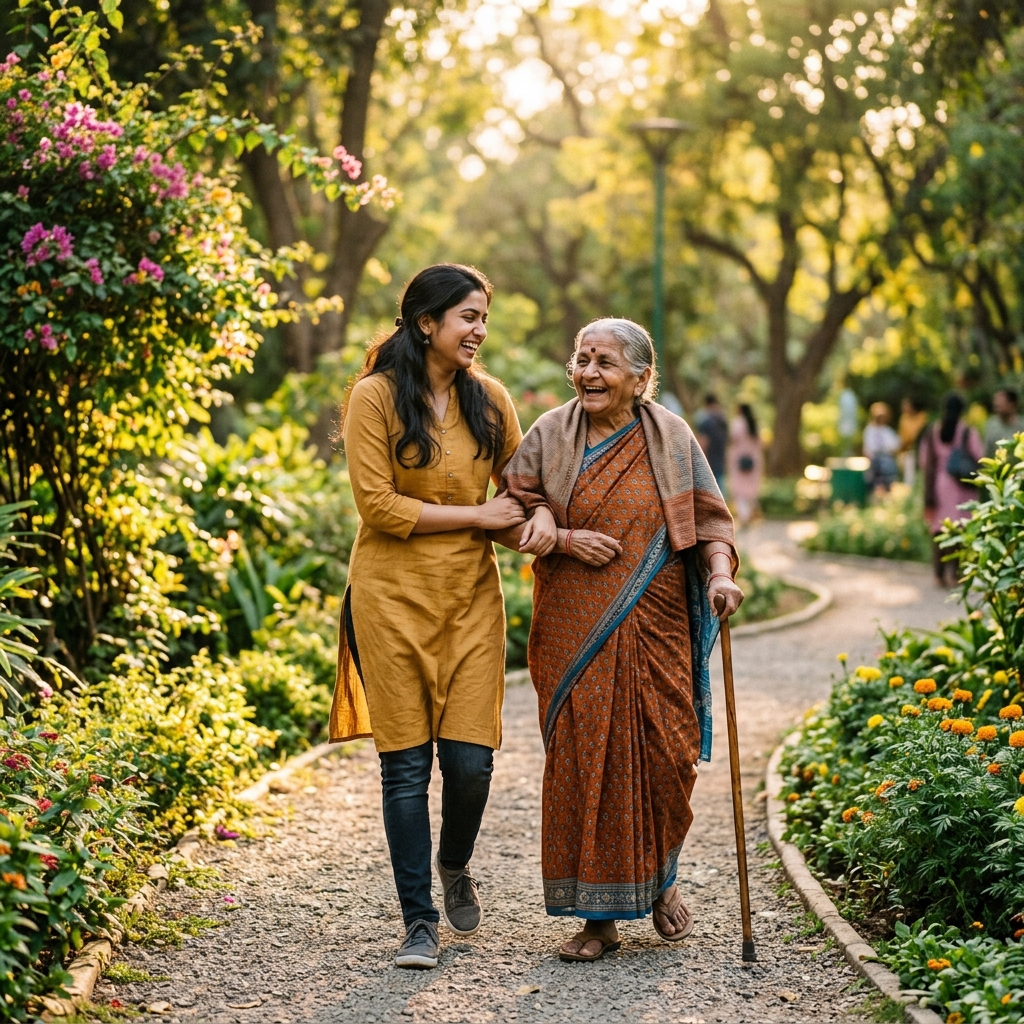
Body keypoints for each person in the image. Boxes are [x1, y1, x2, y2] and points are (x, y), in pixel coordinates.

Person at [498, 317, 742, 962]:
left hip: (659, 624)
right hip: (573, 628)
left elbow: (712, 519)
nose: (587, 373)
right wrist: (563, 533)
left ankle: (660, 878)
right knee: (585, 762)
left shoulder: (671, 436)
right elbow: (512, 504)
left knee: (668, 754)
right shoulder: (552, 432)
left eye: (604, 362)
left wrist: (720, 575)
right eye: (581, 359)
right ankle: (598, 919)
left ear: (641, 376)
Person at [328, 264, 529, 970]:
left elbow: (521, 501)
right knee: (406, 769)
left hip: (471, 602)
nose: (478, 330)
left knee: (471, 764)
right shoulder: (375, 398)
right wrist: (482, 514)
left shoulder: (492, 401)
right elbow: (378, 507)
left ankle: (454, 862)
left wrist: (554, 536)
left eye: (482, 318)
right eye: (467, 317)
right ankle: (418, 921)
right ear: (426, 324)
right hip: (389, 600)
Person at [920, 392, 983, 588]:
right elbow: (980, 457)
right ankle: (957, 574)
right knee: (961, 530)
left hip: (939, 486)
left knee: (939, 531)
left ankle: (939, 575)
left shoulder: (933, 431)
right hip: (962, 487)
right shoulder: (966, 432)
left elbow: (925, 462)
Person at [727, 402, 763, 527]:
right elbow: (759, 443)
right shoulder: (755, 424)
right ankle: (751, 513)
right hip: (754, 459)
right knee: (751, 488)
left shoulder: (737, 423)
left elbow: (733, 440)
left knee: (739, 489)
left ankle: (744, 516)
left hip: (739, 459)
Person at [695, 393, 729, 496]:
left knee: (710, 488)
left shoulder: (705, 421)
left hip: (709, 458)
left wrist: (699, 459)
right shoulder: (722, 419)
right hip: (720, 456)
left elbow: (703, 441)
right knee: (720, 484)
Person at [862, 401, 901, 493]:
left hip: (887, 458)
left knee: (887, 463)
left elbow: (896, 445)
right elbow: (868, 448)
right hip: (874, 459)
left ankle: (887, 489)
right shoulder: (869, 430)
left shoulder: (888, 431)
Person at [983, 388, 1024, 458]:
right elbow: (987, 451)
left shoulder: (1021, 425)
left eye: (1000, 401)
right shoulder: (991, 424)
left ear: (1012, 404)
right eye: (995, 400)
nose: (996, 404)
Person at [897, 397, 928, 486]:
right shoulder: (904, 418)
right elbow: (902, 436)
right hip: (907, 449)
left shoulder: (922, 417)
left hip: (919, 448)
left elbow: (917, 434)